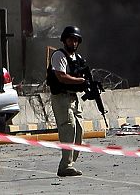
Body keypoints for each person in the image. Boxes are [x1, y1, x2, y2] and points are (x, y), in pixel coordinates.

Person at [47, 25, 88, 177]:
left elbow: (82, 77)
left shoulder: (77, 59)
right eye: (71, 39)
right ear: (65, 40)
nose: (74, 43)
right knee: (68, 129)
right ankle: (65, 166)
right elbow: (61, 76)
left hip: (73, 98)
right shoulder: (59, 55)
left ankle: (70, 163)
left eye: (76, 40)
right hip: (61, 98)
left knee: (79, 130)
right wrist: (80, 81)